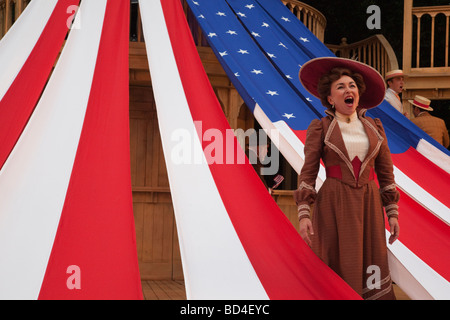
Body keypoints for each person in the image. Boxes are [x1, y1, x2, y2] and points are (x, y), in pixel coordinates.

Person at [295, 57, 400, 300]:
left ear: (359, 94)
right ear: (330, 99)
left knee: (371, 261)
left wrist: (392, 212)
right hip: (334, 202)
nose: (348, 90)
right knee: (339, 262)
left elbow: (386, 172)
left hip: (369, 202)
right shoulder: (320, 127)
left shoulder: (375, 126)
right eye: (341, 87)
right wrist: (303, 213)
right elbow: (308, 172)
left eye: (352, 85)